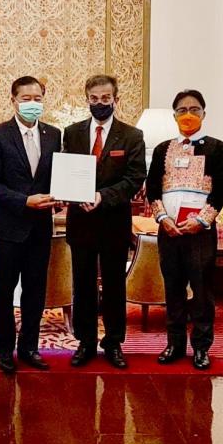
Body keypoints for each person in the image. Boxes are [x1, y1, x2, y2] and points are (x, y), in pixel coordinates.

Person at [63, 74, 146, 369]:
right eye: (94, 99)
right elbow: (67, 171)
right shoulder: (72, 133)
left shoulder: (132, 135)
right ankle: (85, 342)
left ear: (116, 100)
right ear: (87, 99)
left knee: (114, 285)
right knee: (82, 284)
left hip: (113, 222)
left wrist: (102, 196)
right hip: (81, 220)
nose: (100, 103)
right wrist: (76, 196)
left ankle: (113, 342)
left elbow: (135, 178)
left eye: (105, 98)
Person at [0, 76, 61, 372]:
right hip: (8, 228)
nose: (32, 104)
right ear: (13, 100)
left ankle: (29, 347)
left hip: (40, 228)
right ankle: (4, 349)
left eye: (37, 98)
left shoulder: (54, 134)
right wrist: (24, 201)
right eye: (26, 99)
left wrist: (62, 195)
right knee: (4, 291)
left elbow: (58, 176)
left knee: (35, 290)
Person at [146, 89, 223, 370]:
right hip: (169, 230)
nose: (188, 115)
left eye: (194, 109)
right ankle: (175, 344)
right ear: (174, 116)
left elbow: (222, 189)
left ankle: (202, 347)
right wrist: (162, 218)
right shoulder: (162, 149)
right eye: (182, 110)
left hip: (200, 232)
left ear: (204, 113)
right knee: (173, 289)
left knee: (202, 291)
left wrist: (201, 220)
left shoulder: (217, 148)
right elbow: (153, 188)